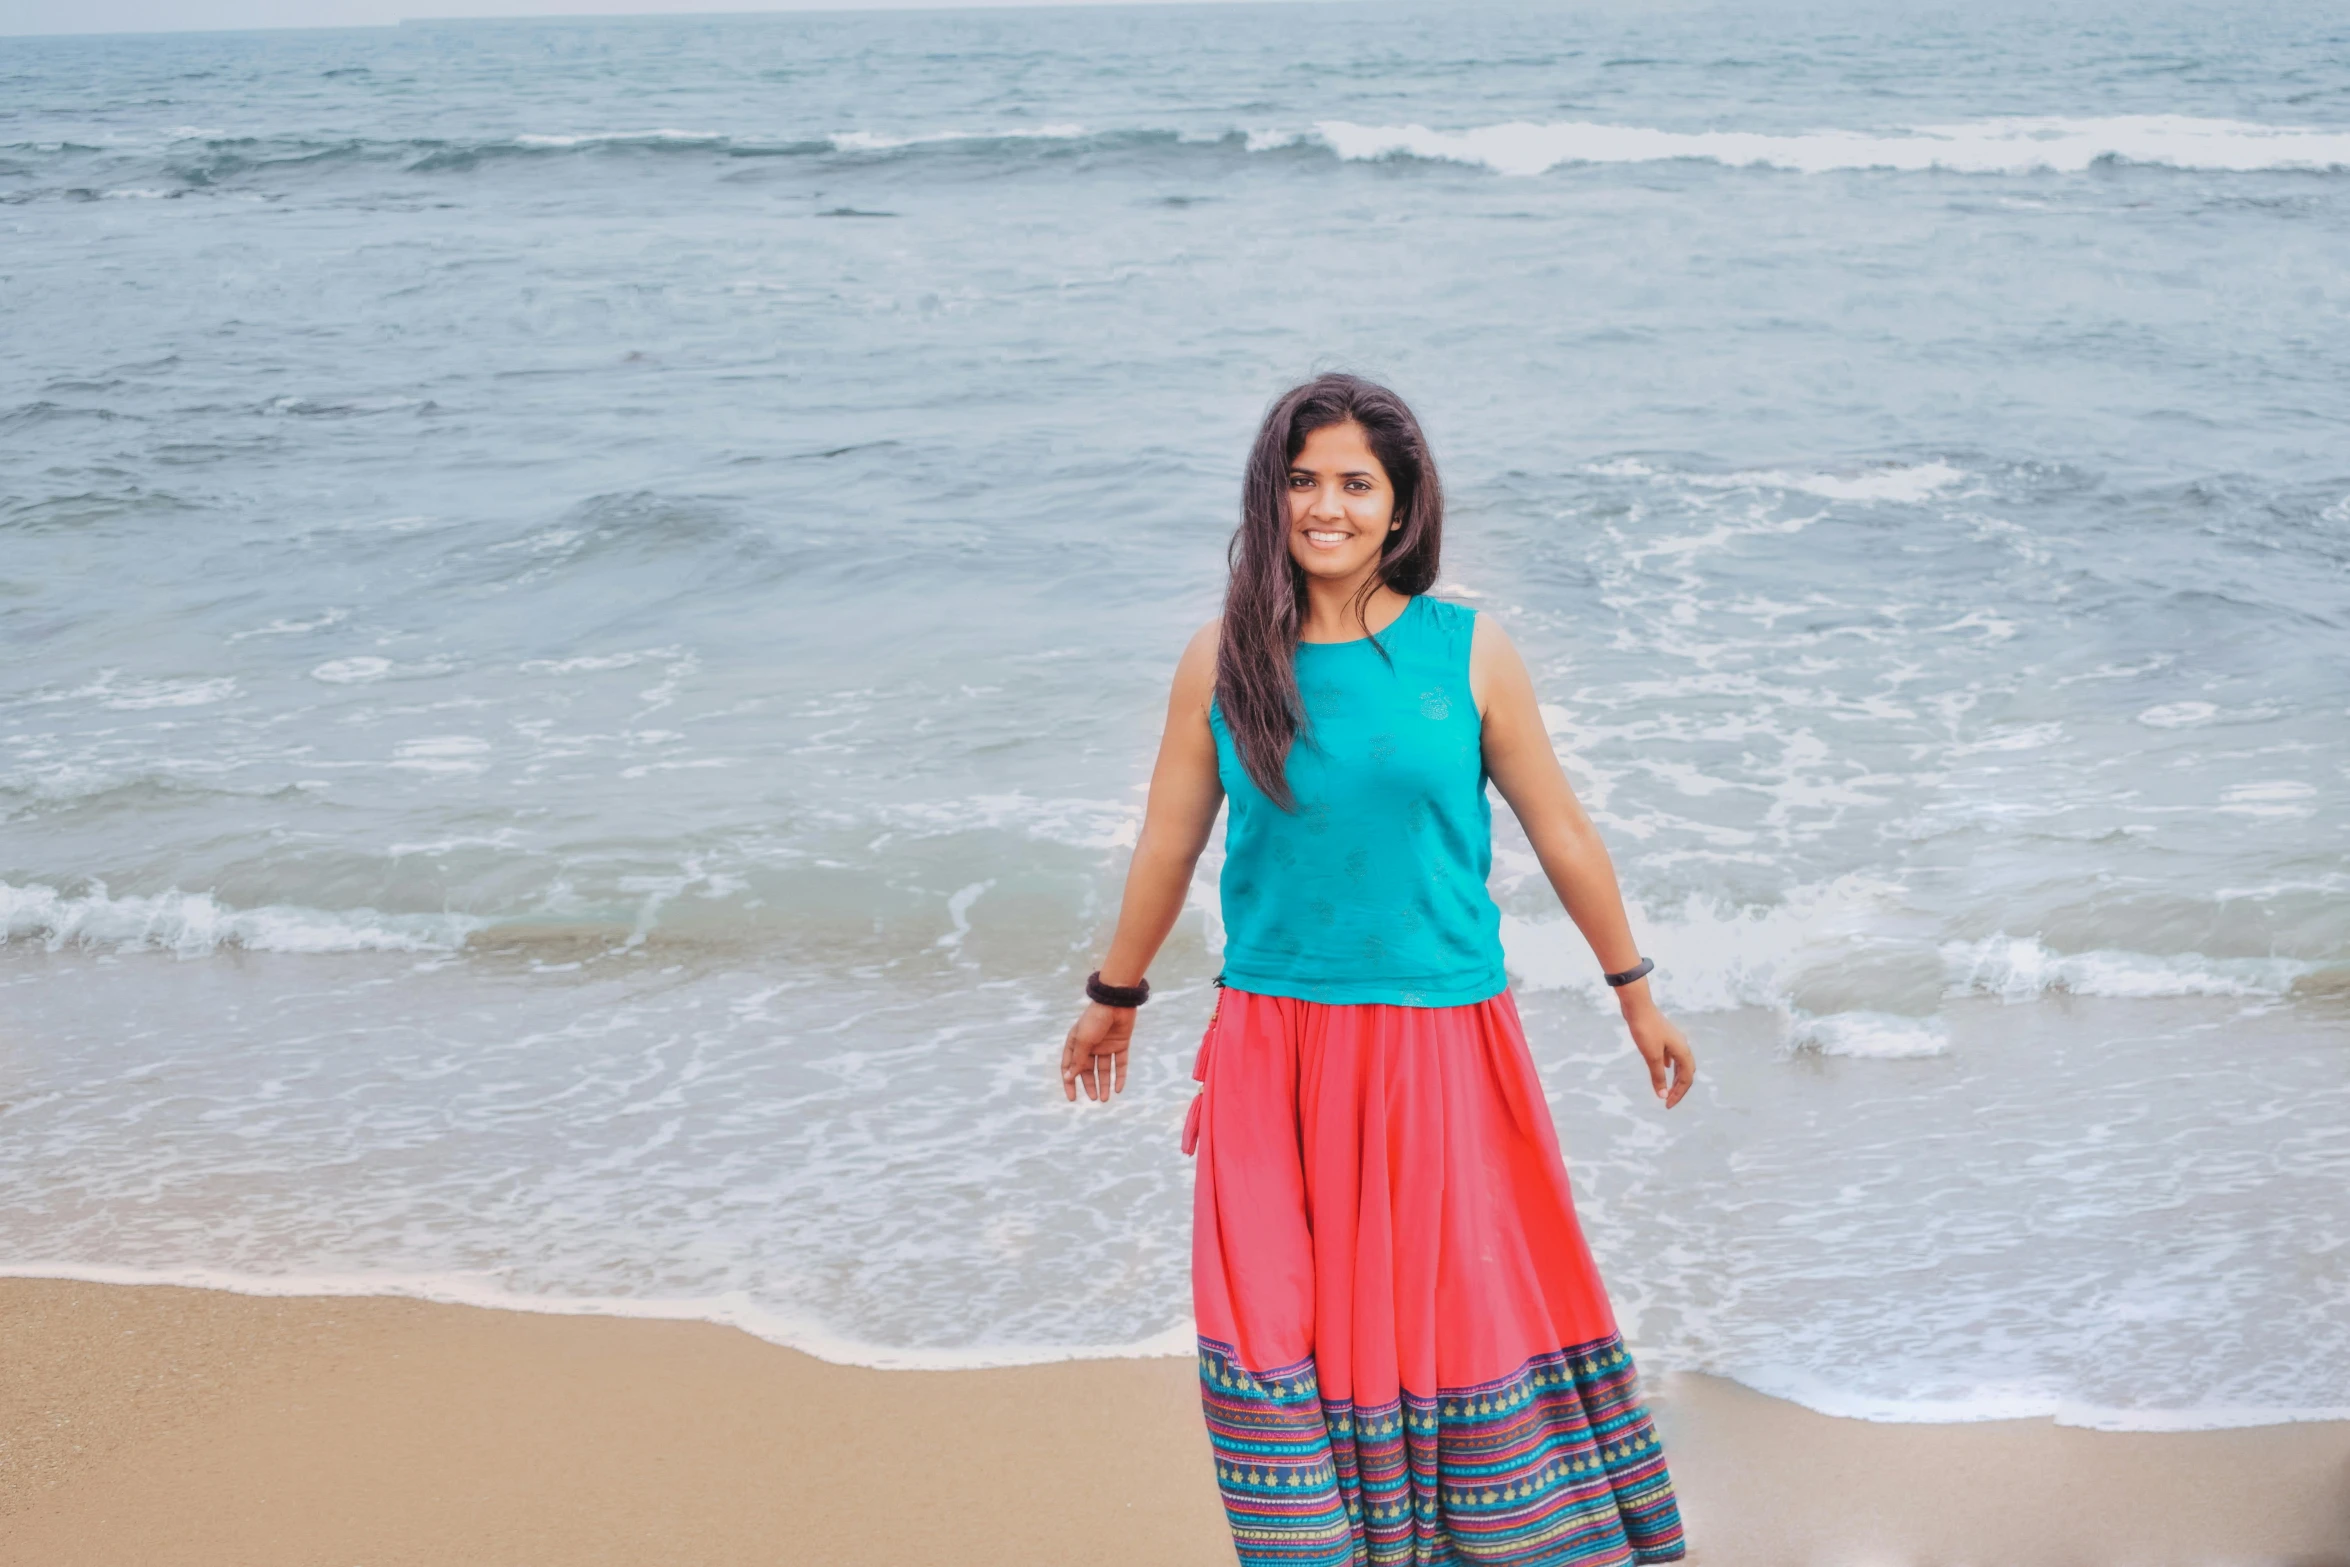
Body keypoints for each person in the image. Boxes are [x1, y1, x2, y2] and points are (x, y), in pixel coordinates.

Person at [1059, 373, 1694, 1566]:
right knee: (1266, 1316)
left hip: (1433, 1040)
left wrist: (1634, 993)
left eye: (1356, 483)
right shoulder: (1222, 658)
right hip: (1271, 1041)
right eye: (1302, 481)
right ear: (1271, 494)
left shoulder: (1469, 650)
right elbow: (1168, 837)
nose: (1326, 507)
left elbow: (1559, 827)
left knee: (1445, 1313)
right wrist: (1114, 993)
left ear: (1402, 506)